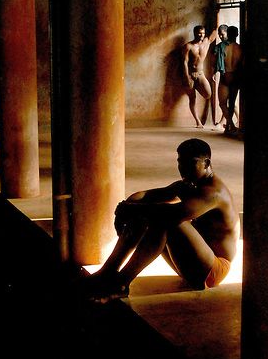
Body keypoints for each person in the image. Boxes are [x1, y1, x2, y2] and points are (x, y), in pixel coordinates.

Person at [77, 138, 240, 303]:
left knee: (165, 219)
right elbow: (146, 195)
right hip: (192, 263)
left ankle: (121, 284)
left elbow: (174, 213)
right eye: (180, 162)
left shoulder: (213, 193)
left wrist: (130, 210)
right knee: (148, 213)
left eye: (190, 162)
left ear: (206, 163)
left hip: (213, 270)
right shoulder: (189, 185)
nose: (182, 167)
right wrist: (127, 205)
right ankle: (108, 271)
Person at [182, 25, 218, 128]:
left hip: (200, 74)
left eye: (203, 33)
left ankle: (206, 116)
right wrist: (187, 77)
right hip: (189, 75)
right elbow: (184, 62)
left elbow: (215, 31)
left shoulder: (206, 42)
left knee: (208, 94)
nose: (201, 35)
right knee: (192, 98)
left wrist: (217, 12)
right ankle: (198, 122)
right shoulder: (188, 46)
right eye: (199, 33)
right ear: (195, 33)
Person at [215, 25, 243, 135]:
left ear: (228, 34)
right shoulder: (240, 48)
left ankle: (230, 125)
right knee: (231, 103)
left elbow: (216, 62)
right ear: (237, 34)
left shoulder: (222, 47)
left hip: (225, 75)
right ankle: (229, 127)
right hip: (235, 76)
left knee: (222, 103)